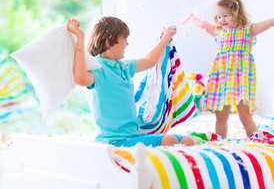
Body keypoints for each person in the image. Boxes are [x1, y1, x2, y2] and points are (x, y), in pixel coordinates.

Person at [182, 0, 274, 138]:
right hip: (221, 80)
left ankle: (255, 141)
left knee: (246, 117)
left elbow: (269, 23)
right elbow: (204, 25)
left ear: (236, 14)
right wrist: (190, 18)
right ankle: (220, 143)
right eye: (218, 17)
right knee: (220, 118)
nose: (221, 20)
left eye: (225, 16)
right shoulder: (219, 32)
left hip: (241, 80)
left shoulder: (247, 30)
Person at [67, 16, 195, 147]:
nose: (127, 44)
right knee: (171, 141)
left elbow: (150, 61)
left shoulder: (123, 67)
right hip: (113, 141)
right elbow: (81, 79)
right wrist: (79, 38)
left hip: (134, 137)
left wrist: (166, 37)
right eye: (124, 39)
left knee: (187, 140)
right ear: (109, 42)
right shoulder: (98, 70)